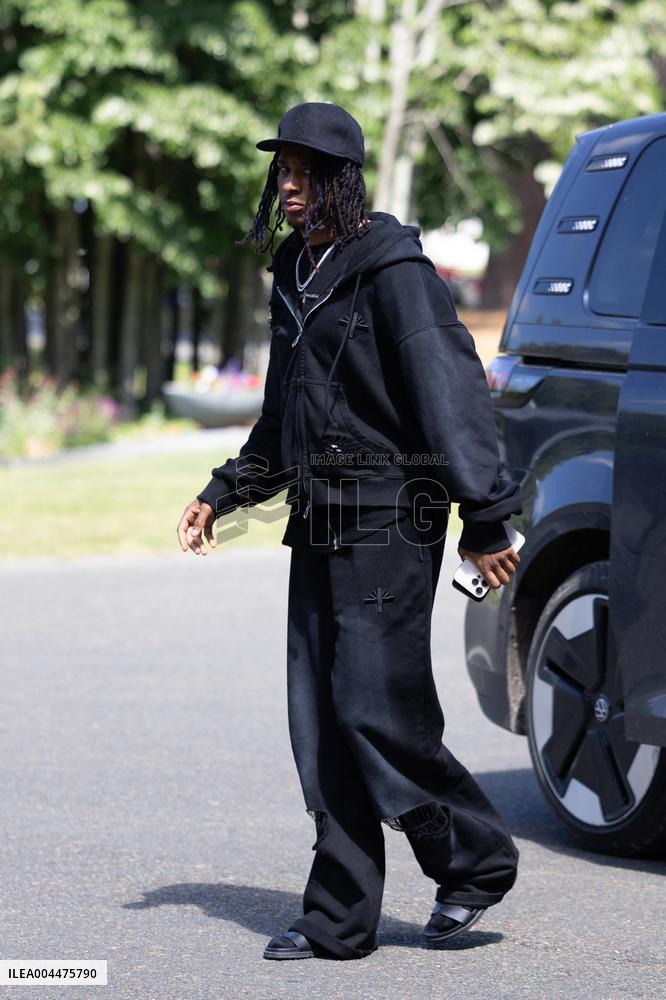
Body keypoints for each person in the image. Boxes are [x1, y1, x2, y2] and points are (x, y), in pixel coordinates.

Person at [177, 102, 523, 962]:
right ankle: (338, 918)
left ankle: (473, 862)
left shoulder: (394, 270)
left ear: (342, 178)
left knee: (377, 711)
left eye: (304, 172)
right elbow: (286, 408)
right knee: (320, 721)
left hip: (392, 523)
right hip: (319, 521)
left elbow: (451, 390)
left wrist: (485, 516)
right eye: (281, 172)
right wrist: (223, 492)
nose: (288, 187)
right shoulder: (296, 269)